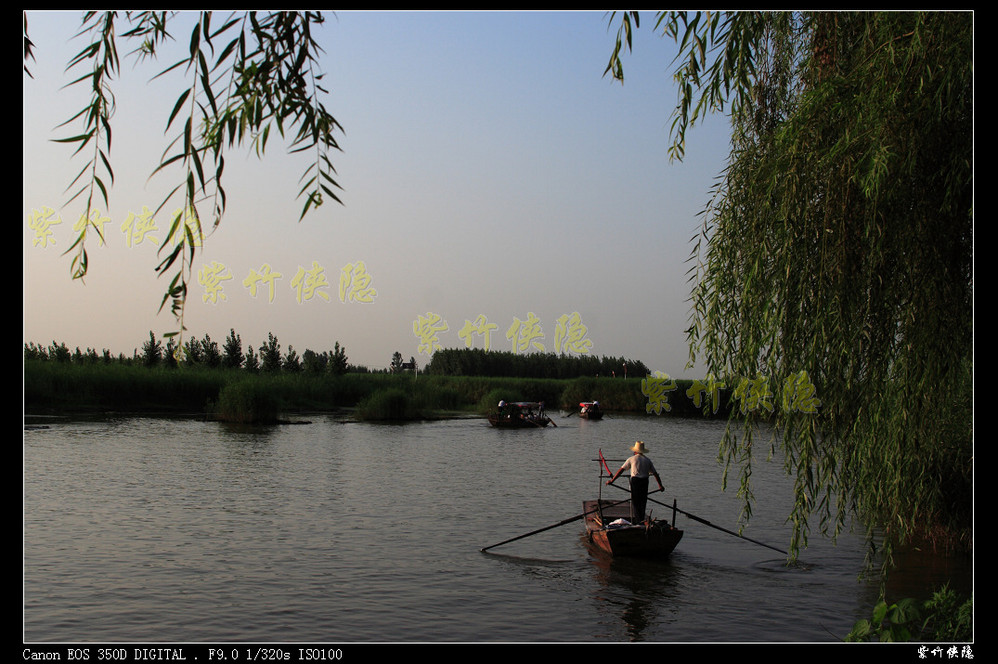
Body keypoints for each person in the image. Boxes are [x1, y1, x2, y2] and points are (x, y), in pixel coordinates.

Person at [606, 441, 664, 523]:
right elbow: (655, 474)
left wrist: (612, 480)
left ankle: (638, 521)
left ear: (635, 451)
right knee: (643, 501)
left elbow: (621, 470)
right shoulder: (647, 460)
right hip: (644, 481)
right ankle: (642, 519)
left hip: (636, 481)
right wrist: (660, 486)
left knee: (636, 502)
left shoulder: (631, 459)